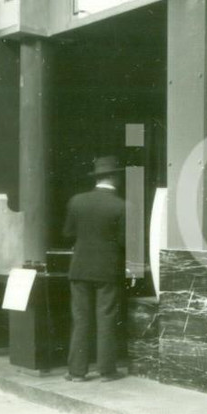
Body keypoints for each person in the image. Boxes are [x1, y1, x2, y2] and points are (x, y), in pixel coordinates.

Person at [62, 155, 127, 382]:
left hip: (79, 268)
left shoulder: (77, 201)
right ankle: (107, 371)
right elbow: (123, 242)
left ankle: (76, 372)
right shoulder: (121, 205)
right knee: (106, 317)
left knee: (80, 318)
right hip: (107, 270)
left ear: (97, 178)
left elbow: (68, 233)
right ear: (115, 177)